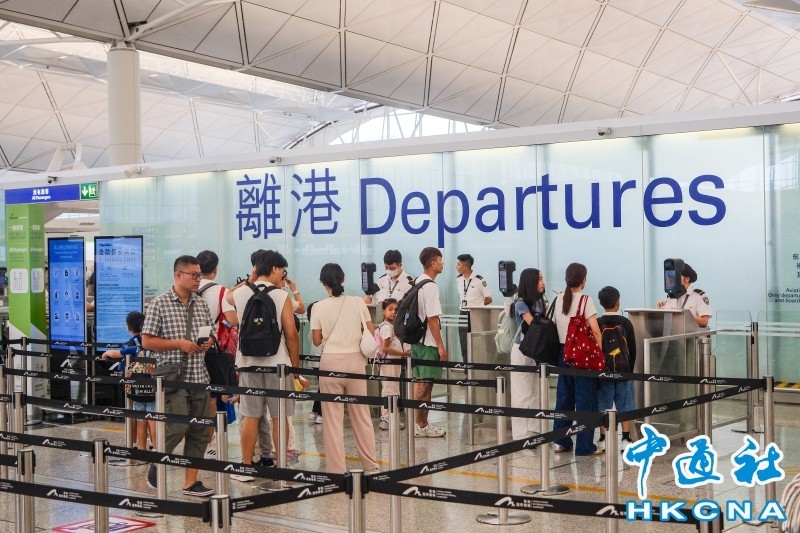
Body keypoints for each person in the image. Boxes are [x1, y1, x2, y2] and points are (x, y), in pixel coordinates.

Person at [141, 255, 216, 497]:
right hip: (173, 378)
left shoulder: (201, 303)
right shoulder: (159, 304)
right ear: (178, 275)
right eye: (193, 275)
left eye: (199, 275)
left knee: (200, 431)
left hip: (199, 376)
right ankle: (156, 461)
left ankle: (190, 482)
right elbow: (147, 341)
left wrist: (208, 341)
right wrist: (179, 344)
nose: (197, 279)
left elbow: (212, 333)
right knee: (176, 426)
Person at [228, 250, 302, 480]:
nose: (282, 274)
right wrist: (295, 368)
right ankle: (282, 468)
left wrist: (250, 279)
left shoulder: (240, 294)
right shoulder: (281, 296)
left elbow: (227, 298)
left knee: (250, 417)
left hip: (248, 364)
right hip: (277, 365)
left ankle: (246, 467)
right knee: (279, 417)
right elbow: (291, 334)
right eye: (281, 270)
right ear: (275, 269)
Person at [311, 263, 379, 474]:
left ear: (323, 283)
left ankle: (337, 469)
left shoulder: (318, 307)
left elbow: (316, 340)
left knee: (332, 420)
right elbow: (370, 331)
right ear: (343, 280)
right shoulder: (358, 302)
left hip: (330, 362)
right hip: (355, 362)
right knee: (361, 416)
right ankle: (371, 466)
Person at [551, 262, 603, 456]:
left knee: (564, 398)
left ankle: (560, 441)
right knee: (585, 400)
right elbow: (595, 331)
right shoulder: (585, 300)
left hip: (563, 353)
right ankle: (584, 446)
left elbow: (553, 324)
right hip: (582, 355)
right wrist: (600, 352)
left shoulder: (558, 299)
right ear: (583, 280)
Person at [101, 311, 156, 451]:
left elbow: (119, 358)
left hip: (136, 387)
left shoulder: (130, 345)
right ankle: (156, 448)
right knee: (154, 418)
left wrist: (106, 353)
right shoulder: (154, 342)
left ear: (128, 327)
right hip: (153, 385)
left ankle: (139, 447)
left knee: (139, 418)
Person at [596, 286, 636, 452]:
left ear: (601, 303)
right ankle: (625, 439)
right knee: (625, 405)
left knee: (602, 406)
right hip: (623, 372)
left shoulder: (597, 323)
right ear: (618, 302)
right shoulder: (625, 323)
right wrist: (629, 371)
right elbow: (632, 349)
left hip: (603, 372)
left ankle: (603, 439)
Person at [412, 247, 447, 438]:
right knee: (426, 386)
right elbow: (432, 319)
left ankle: (419, 424)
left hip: (417, 341)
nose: (442, 264)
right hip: (428, 343)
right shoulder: (431, 286)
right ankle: (422, 425)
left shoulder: (417, 281)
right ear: (433, 263)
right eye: (440, 261)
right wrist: (440, 346)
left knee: (420, 383)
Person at [510, 268, 546, 441]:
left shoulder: (540, 302)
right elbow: (534, 324)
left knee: (535, 391)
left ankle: (534, 429)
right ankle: (520, 434)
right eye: (539, 279)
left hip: (536, 351)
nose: (542, 282)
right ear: (531, 282)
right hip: (522, 350)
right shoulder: (521, 304)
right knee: (522, 393)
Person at [376, 298, 409, 430]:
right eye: (390, 309)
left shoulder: (390, 326)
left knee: (391, 389)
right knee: (391, 390)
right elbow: (385, 348)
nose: (393, 312)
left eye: (396, 309)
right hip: (389, 363)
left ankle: (389, 418)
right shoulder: (387, 328)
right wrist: (403, 354)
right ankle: (387, 419)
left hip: (392, 363)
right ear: (383, 311)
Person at [456, 253, 493, 361]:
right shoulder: (459, 279)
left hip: (475, 314)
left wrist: (476, 306)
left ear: (465, 267)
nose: (456, 267)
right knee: (464, 343)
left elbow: (489, 299)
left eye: (458, 265)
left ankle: (478, 367)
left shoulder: (479, 280)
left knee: (477, 342)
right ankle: (466, 368)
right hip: (462, 314)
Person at [657, 263, 713, 327]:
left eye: (676, 276)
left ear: (687, 279)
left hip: (692, 332)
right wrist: (662, 307)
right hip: (674, 331)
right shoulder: (672, 295)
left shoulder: (699, 296)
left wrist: (682, 318)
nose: (672, 279)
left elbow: (704, 321)